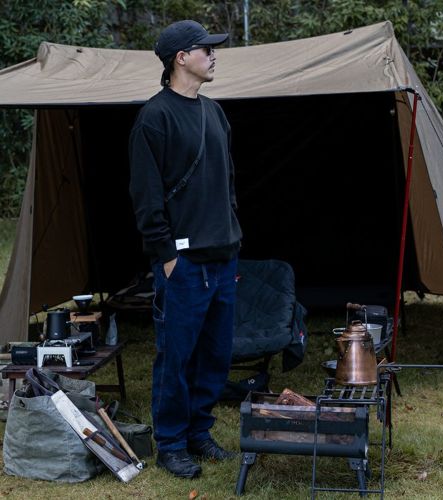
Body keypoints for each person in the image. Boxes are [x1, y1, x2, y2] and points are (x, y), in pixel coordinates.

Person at [128, 20, 242, 479]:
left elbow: (227, 181)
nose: (213, 56)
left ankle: (199, 433)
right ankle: (172, 445)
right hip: (184, 263)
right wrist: (168, 257)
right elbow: (146, 196)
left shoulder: (215, 112)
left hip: (224, 256)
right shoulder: (154, 118)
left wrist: (233, 233)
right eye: (205, 49)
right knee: (176, 357)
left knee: (214, 356)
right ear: (181, 57)